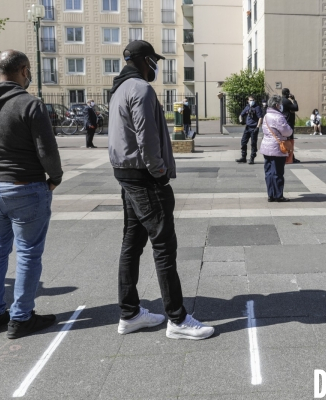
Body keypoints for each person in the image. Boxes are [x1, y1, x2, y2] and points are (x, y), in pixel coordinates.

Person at [108, 40, 214, 339]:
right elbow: (146, 137)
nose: (156, 65)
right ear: (142, 60)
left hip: (126, 174)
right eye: (153, 60)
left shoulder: (118, 89)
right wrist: (160, 172)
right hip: (144, 177)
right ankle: (178, 320)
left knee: (132, 242)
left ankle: (129, 314)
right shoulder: (140, 89)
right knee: (164, 246)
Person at [0, 50, 63, 339]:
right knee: (27, 253)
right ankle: (21, 317)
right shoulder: (29, 103)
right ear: (24, 70)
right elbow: (47, 150)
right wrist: (55, 178)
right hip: (24, 185)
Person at [260, 94, 293, 202]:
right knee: (278, 172)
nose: (281, 106)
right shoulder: (278, 117)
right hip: (277, 147)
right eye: (280, 104)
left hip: (266, 146)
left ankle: (270, 194)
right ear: (277, 105)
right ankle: (278, 195)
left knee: (268, 172)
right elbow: (287, 131)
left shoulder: (266, 116)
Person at [236, 95, 263, 165]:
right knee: (243, 142)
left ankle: (252, 158)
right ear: (248, 101)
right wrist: (241, 120)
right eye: (250, 100)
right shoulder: (247, 107)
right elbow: (241, 115)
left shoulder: (257, 108)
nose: (252, 102)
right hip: (247, 128)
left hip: (254, 127)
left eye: (253, 100)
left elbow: (260, 118)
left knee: (253, 143)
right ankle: (243, 157)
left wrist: (257, 127)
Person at [281, 88, 300, 163]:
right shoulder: (286, 101)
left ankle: (290, 157)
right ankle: (290, 158)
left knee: (285, 140)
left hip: (283, 122)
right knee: (290, 141)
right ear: (287, 93)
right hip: (288, 123)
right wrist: (294, 99)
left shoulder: (280, 100)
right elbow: (296, 108)